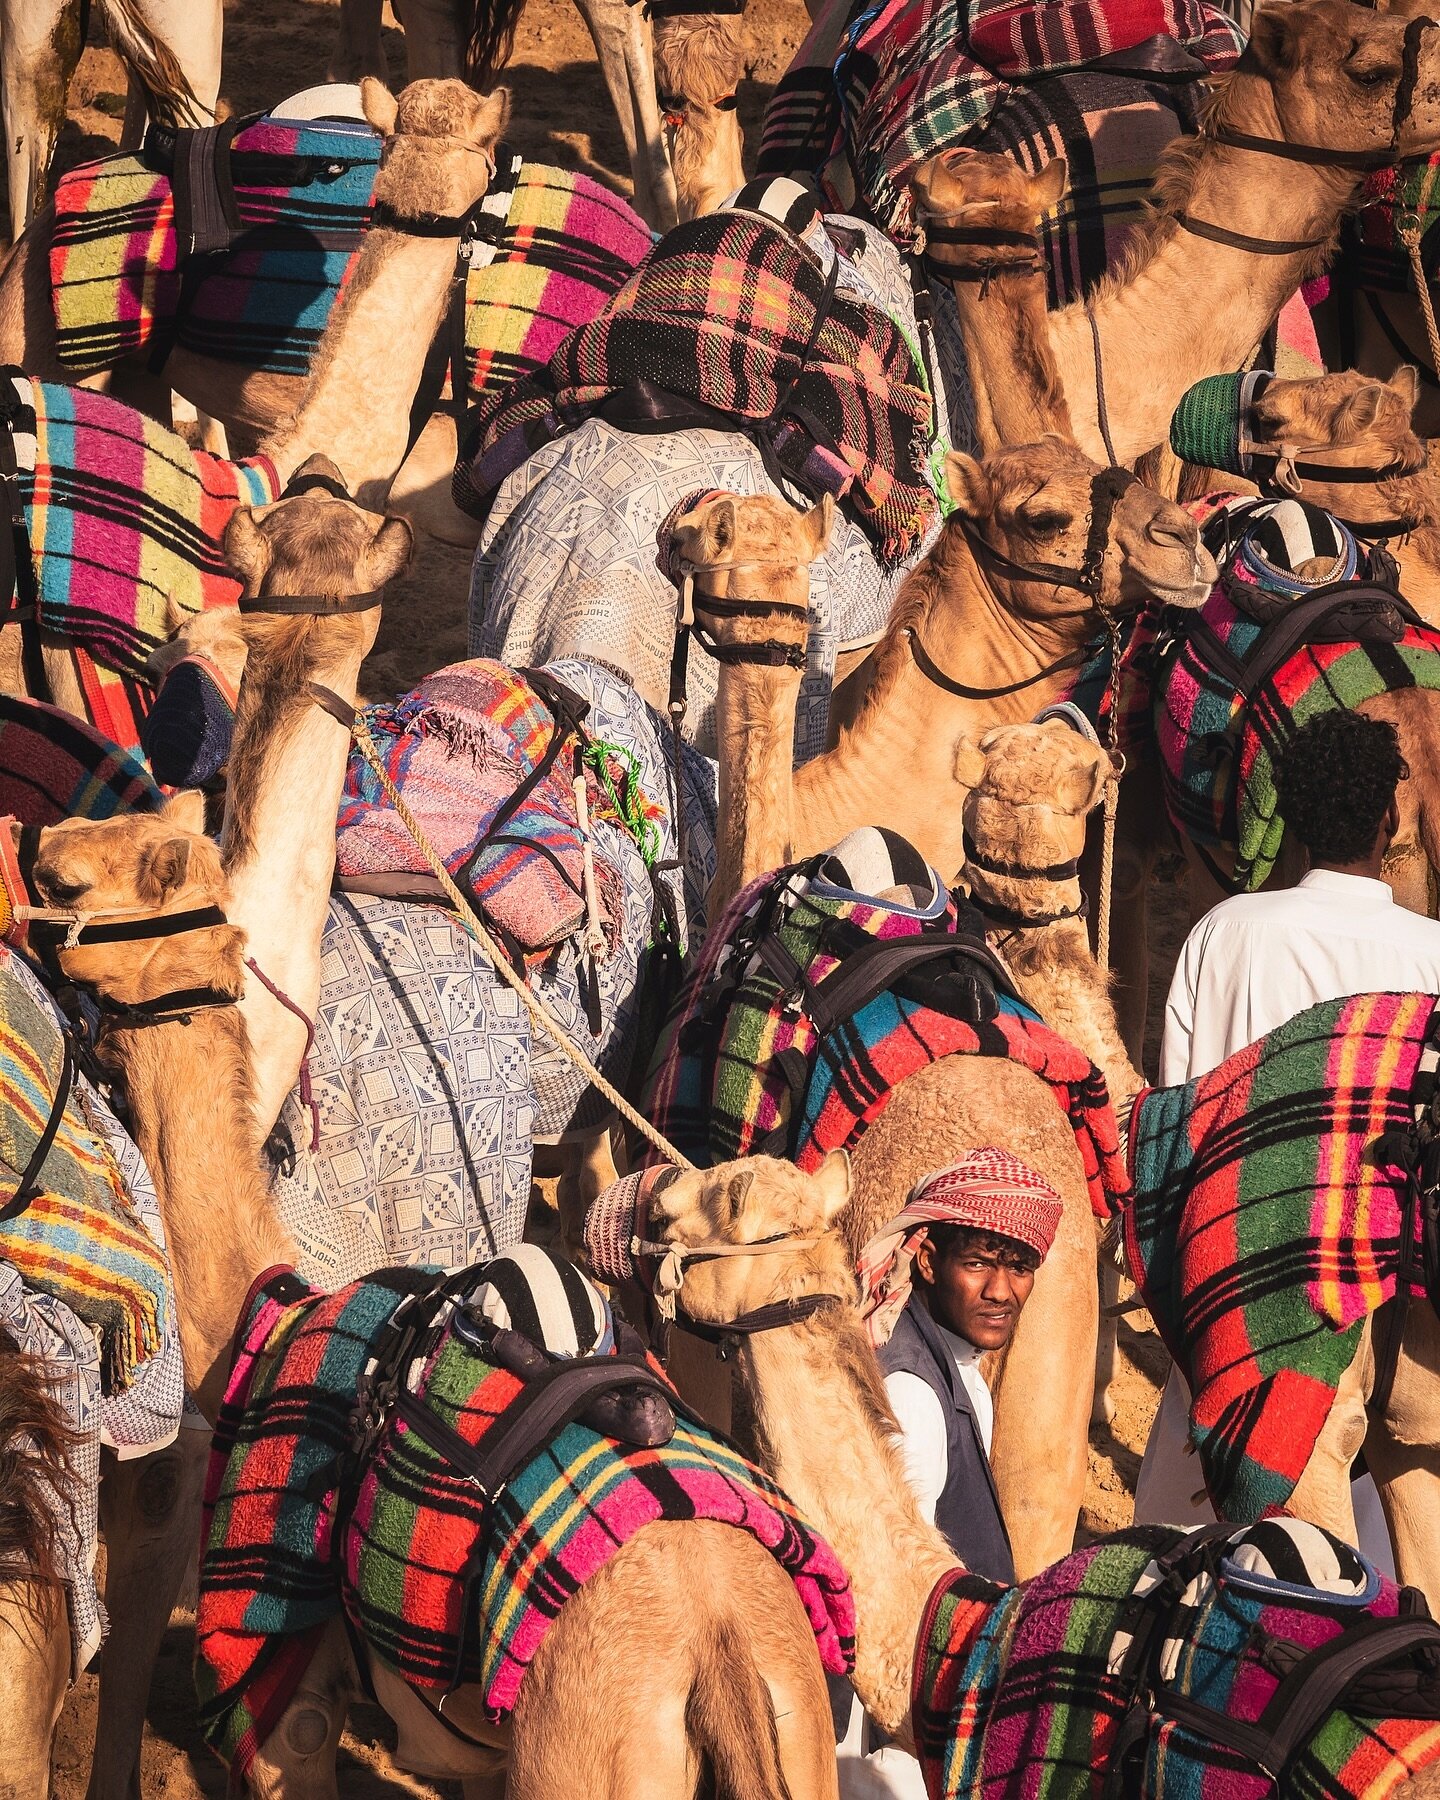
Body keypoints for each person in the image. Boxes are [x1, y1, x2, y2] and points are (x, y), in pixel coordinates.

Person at [1136, 708, 1440, 1551]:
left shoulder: (1222, 936)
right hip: (1399, 1274)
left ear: (1294, 821)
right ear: (1392, 818)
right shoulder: (1433, 954)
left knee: (1192, 1545)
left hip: (1248, 1271)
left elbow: (1178, 1117)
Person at [837, 1147, 1063, 1799]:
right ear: (930, 1259)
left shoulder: (952, 1365)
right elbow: (885, 1586)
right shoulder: (910, 1390)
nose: (1002, 1291)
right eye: (978, 1264)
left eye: (1019, 1267)